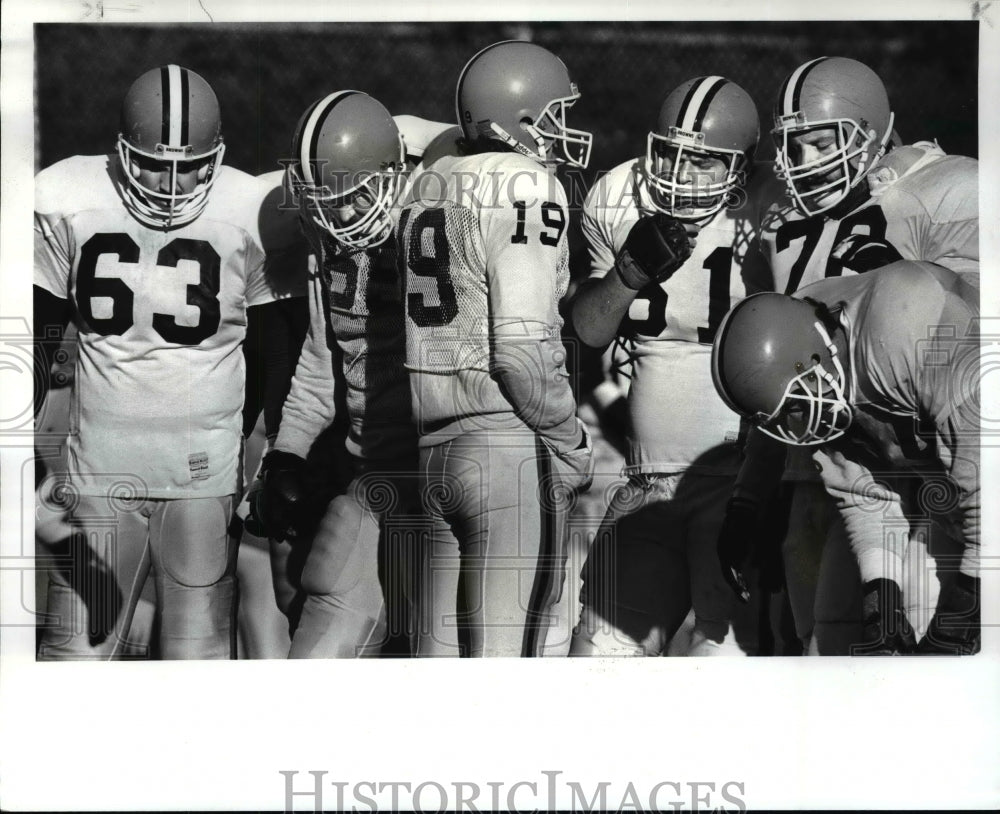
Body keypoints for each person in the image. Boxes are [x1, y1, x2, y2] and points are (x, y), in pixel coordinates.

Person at [33, 64, 303, 659]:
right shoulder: (71, 195)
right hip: (99, 472)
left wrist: (268, 452)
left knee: (196, 664)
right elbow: (35, 332)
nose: (171, 183)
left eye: (190, 166)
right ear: (122, 149)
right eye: (155, 162)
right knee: (75, 661)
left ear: (217, 154)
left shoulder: (248, 208)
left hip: (202, 480)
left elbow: (271, 349)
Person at [718, 56, 980, 654]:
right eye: (792, 148)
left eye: (817, 144)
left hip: (955, 470)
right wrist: (750, 496)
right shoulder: (785, 225)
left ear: (873, 133)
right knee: (830, 644)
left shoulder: (954, 189)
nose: (800, 165)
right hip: (847, 468)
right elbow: (787, 377)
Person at [397, 40, 594, 657]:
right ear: (523, 120)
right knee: (511, 676)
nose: (564, 132)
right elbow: (521, 349)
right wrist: (570, 439)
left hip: (432, 443)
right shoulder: (526, 184)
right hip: (507, 446)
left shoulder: (429, 179)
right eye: (555, 115)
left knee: (441, 674)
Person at [565, 75, 769, 656]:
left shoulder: (767, 211)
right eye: (671, 155)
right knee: (597, 659)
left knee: (722, 666)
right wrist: (627, 274)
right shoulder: (618, 194)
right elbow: (588, 330)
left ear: (741, 169)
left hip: (734, 484)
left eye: (704, 163)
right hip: (646, 481)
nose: (681, 176)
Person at [248, 91, 456, 657]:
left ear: (396, 172)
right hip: (373, 475)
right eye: (324, 200)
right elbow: (323, 358)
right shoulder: (326, 237)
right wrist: (286, 453)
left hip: (448, 478)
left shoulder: (446, 214)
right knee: (318, 643)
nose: (340, 215)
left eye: (353, 196)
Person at [711, 263, 980, 655]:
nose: (796, 423)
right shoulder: (812, 347)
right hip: (955, 497)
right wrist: (881, 601)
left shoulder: (911, 321)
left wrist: (960, 616)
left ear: (818, 353)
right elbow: (863, 490)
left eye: (796, 405)